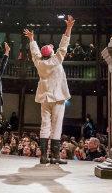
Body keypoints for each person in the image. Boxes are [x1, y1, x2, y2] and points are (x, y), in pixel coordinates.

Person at [23, 15, 73, 165]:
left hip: (44, 98)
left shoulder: (39, 63)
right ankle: (55, 156)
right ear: (51, 52)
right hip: (57, 98)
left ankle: (44, 156)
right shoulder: (56, 59)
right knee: (56, 125)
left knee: (45, 125)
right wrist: (69, 28)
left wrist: (32, 39)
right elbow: (63, 46)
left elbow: (35, 53)